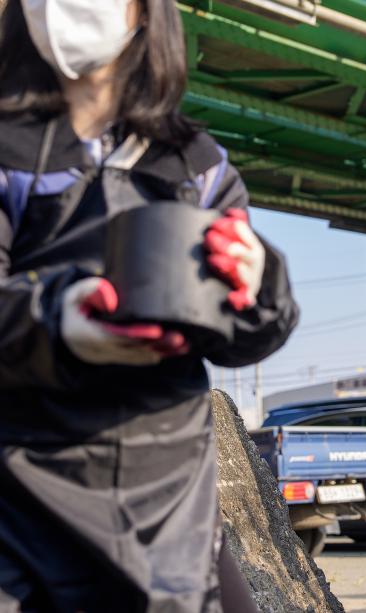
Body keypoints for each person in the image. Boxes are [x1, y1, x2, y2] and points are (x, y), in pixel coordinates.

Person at [0, 1, 299, 610]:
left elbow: (255, 330)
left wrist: (256, 280)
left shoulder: (196, 163)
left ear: (143, 12)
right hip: (23, 495)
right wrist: (61, 318)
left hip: (169, 497)